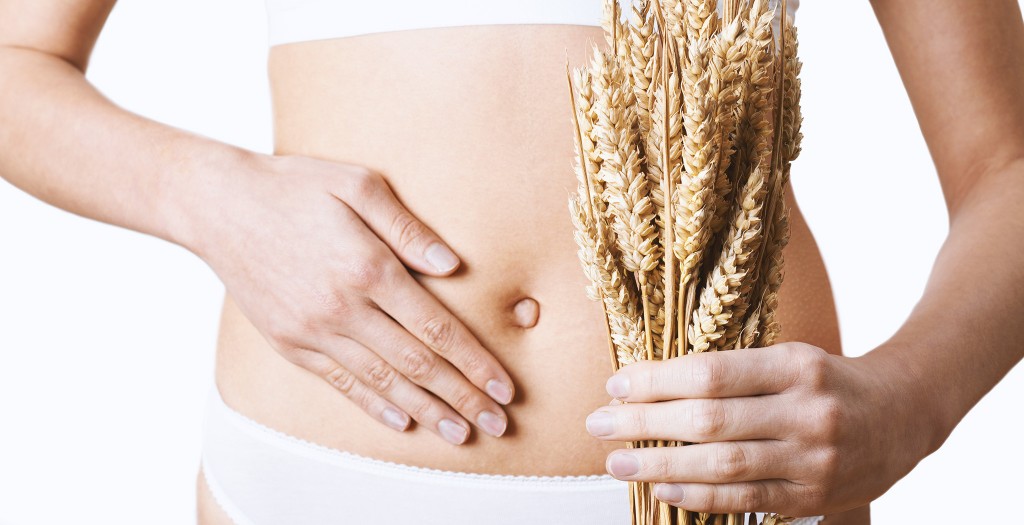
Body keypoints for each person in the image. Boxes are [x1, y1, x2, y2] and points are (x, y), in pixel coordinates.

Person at [0, 0, 1020, 523]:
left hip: (737, 490)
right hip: (324, 484)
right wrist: (208, 194)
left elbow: (1006, 166)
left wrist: (911, 401)